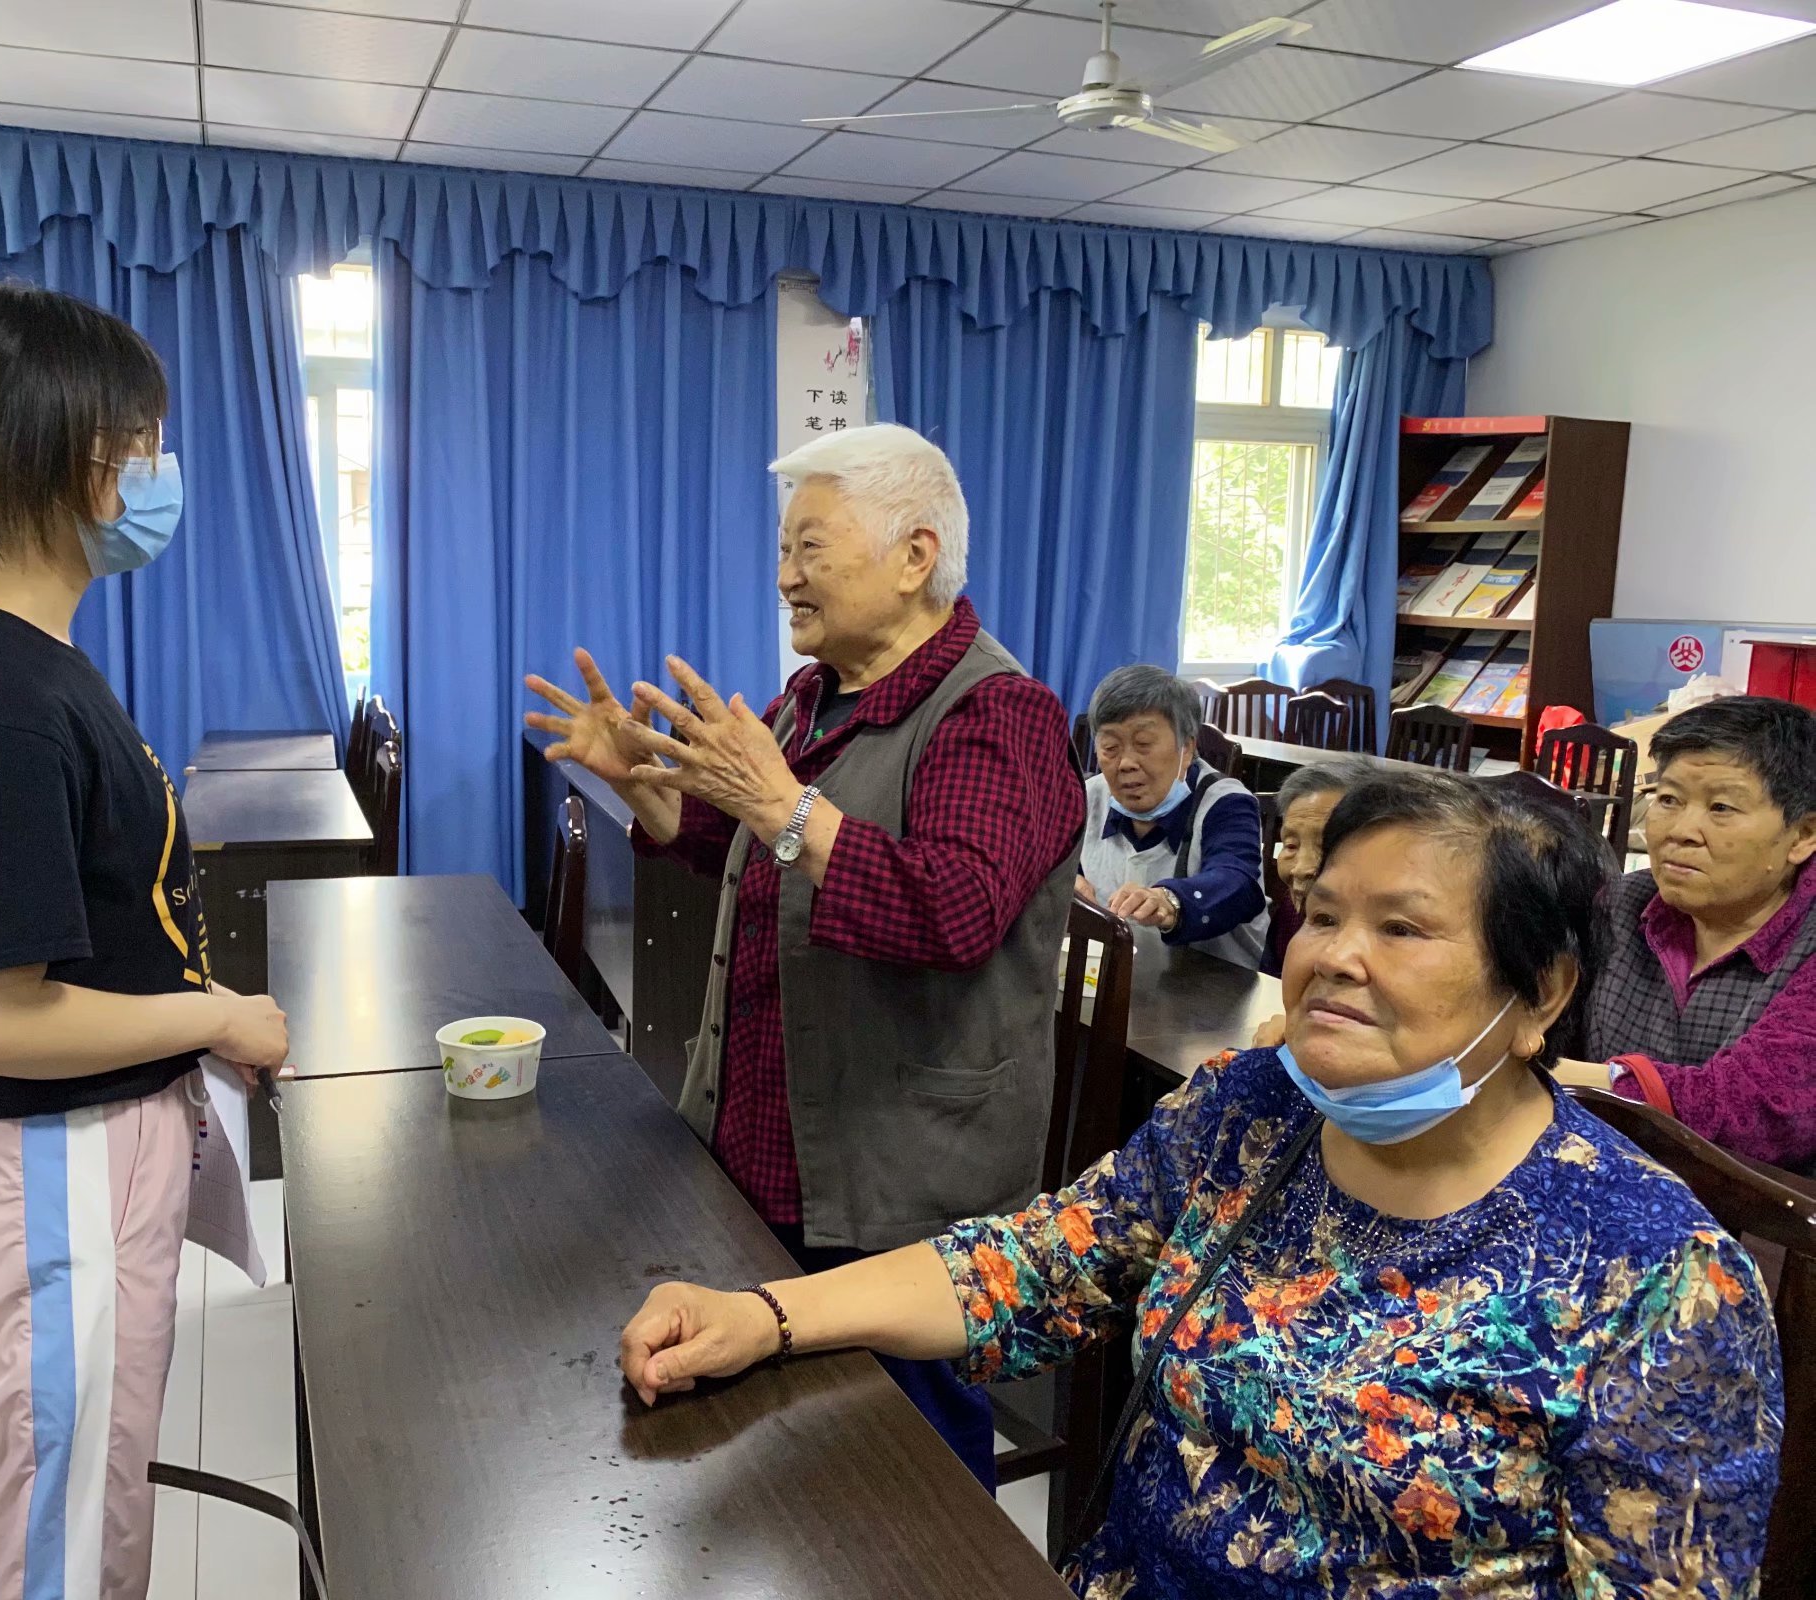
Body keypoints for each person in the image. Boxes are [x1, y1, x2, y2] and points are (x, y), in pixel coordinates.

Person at [620, 771, 1782, 1598]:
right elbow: (1037, 1261)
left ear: (1539, 994)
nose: (1332, 955)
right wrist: (766, 1315)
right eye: (1321, 914)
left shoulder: (1659, 1280)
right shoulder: (1250, 1110)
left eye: (1401, 927)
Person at [526, 423, 1084, 1488]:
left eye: (810, 550)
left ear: (915, 555)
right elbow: (736, 841)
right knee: (790, 1469)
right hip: (771, 1150)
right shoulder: (813, 695)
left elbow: (950, 911)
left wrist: (785, 804)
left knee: (902, 1486)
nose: (785, 577)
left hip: (900, 1188)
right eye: (783, 550)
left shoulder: (996, 714)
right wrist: (644, 784)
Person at [0, 282, 290, 1600]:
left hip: (65, 1164)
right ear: (82, 460)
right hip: (44, 1173)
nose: (155, 472)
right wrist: (216, 1015)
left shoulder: (6, 655)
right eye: (142, 442)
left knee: (88, 1507)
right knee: (58, 1538)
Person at [1561, 695, 1816, 1172]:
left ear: (1802, 835)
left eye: (1720, 807)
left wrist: (1545, 1076)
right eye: (1669, 799)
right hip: (1605, 1187)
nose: (1681, 830)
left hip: (1768, 1230)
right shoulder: (1620, 904)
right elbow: (1532, 1013)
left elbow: (1760, 1111)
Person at [1079, 665, 1266, 968]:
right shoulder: (1087, 797)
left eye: (1143, 745)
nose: (1125, 763)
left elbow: (1238, 882)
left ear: (1187, 748)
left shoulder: (1225, 803)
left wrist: (1170, 901)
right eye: (1111, 748)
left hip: (1215, 991)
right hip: (1117, 980)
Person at [1260, 757, 1378, 976]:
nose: (1301, 869)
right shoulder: (1290, 913)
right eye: (1291, 845)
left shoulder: (1382, 944)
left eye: (1325, 845)